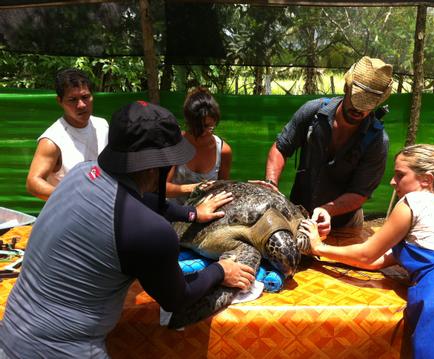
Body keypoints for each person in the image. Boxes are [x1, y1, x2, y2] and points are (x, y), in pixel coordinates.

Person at [0, 101, 255, 358]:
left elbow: (134, 202)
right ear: (157, 167)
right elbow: (178, 298)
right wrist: (220, 270)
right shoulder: (150, 231)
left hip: (9, 335)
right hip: (65, 351)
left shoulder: (81, 173)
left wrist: (192, 213)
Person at [299, 144, 434, 358]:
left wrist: (319, 246)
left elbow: (367, 254)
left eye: (400, 175)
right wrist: (321, 252)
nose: (393, 182)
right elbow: (374, 261)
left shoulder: (414, 200)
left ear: (427, 180)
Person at [263, 56, 393, 235]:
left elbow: (360, 193)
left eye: (367, 105)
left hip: (344, 224)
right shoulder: (313, 111)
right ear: (346, 88)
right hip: (298, 215)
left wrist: (328, 210)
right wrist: (271, 183)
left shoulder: (377, 141)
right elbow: (281, 147)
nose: (359, 110)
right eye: (356, 100)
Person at [26, 68, 109, 201]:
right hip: (70, 215)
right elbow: (33, 183)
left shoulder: (102, 126)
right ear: (60, 101)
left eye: (85, 97)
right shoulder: (53, 140)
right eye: (72, 100)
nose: (81, 105)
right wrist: (72, 198)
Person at [167, 86, 232, 204]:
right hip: (174, 213)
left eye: (209, 126)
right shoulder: (175, 144)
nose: (204, 132)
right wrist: (193, 188)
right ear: (189, 123)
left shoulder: (223, 150)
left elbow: (223, 189)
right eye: (198, 127)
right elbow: (162, 188)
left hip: (206, 215)